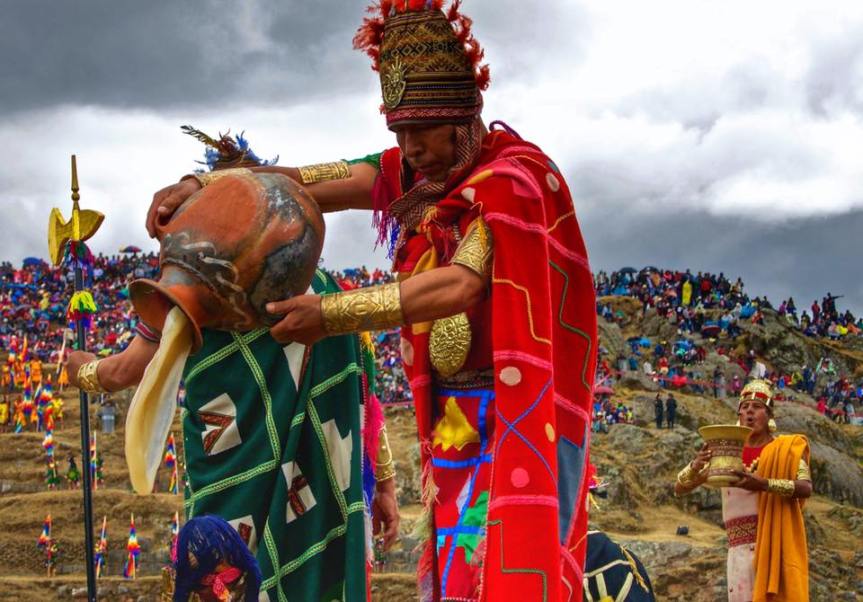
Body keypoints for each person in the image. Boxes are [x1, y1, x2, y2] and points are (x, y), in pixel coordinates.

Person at [145, 2, 597, 600]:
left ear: (460, 119)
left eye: (421, 132)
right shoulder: (415, 175)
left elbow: (461, 284)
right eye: (399, 134)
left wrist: (330, 315)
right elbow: (311, 180)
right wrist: (204, 186)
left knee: (499, 571)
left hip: (510, 414)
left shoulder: (510, 183)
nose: (409, 148)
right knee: (457, 575)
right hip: (452, 422)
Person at [69, 130, 399, 602]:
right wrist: (384, 485)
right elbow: (367, 402)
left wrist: (78, 369)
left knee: (224, 579)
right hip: (320, 500)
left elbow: (122, 372)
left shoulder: (187, 296)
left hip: (229, 489)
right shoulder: (325, 295)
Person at [675, 380, 812, 601]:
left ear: (769, 415)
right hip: (737, 551)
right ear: (738, 415)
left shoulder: (784, 450)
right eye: (745, 407)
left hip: (773, 546)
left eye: (757, 407)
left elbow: (805, 487)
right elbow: (680, 488)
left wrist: (763, 484)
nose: (749, 412)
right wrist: (695, 465)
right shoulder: (725, 453)